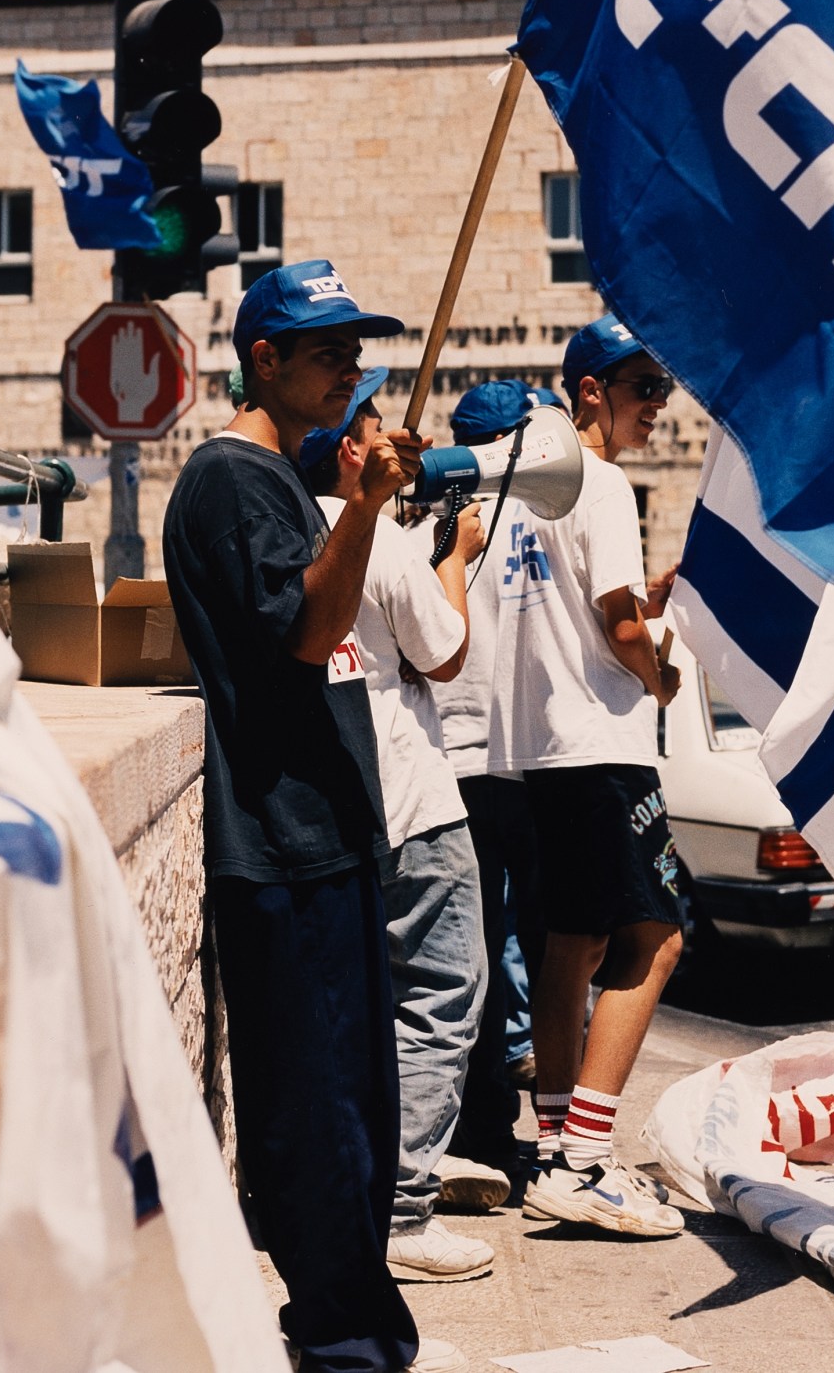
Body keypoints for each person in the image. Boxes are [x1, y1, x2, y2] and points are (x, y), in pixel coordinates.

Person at [160, 260, 457, 1373]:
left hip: (324, 837)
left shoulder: (276, 476)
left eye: (353, 352)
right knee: (324, 1115)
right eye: (326, 352)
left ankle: (351, 1326)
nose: (348, 370)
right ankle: (344, 1343)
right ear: (264, 357)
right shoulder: (232, 479)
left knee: (355, 1107)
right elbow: (308, 629)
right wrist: (367, 507)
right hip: (283, 841)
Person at [491, 317, 687, 1237]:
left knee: (570, 945)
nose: (659, 405)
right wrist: (662, 676)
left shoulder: (523, 491)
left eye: (663, 389)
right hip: (603, 748)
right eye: (643, 387)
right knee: (657, 939)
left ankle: (553, 1146)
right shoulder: (602, 483)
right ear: (590, 392)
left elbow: (576, 609)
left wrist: (641, 602)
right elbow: (617, 629)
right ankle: (585, 1158)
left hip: (541, 749)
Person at [303, 385, 500, 1285]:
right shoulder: (376, 536)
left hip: (335, 806)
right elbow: (446, 651)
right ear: (353, 451)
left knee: (361, 1008)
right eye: (377, 426)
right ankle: (402, 1208)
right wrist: (453, 557)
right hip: (413, 802)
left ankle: (363, 1181)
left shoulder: (291, 527)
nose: (395, 438)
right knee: (445, 991)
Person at [427, 379, 547, 1197]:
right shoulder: (541, 522)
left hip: (457, 764)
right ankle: (539, 1121)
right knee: (538, 943)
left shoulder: (432, 529)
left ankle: (488, 1126)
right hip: (524, 762)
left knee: (477, 948)